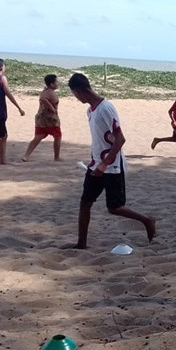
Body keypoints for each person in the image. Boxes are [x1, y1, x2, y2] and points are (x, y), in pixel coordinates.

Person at [66, 73, 156, 249]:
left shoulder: (106, 108)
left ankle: (147, 220)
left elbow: (120, 139)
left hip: (112, 166)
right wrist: (96, 162)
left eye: (74, 94)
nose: (76, 98)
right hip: (96, 165)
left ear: (79, 91)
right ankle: (81, 243)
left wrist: (105, 163)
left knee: (114, 207)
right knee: (85, 203)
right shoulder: (90, 111)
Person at [22, 74, 62, 162]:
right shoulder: (49, 92)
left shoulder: (46, 90)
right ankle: (56, 157)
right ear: (52, 84)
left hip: (41, 118)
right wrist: (51, 107)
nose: (57, 83)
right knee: (57, 136)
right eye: (56, 82)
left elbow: (43, 98)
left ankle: (26, 155)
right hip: (49, 119)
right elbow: (43, 99)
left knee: (39, 136)